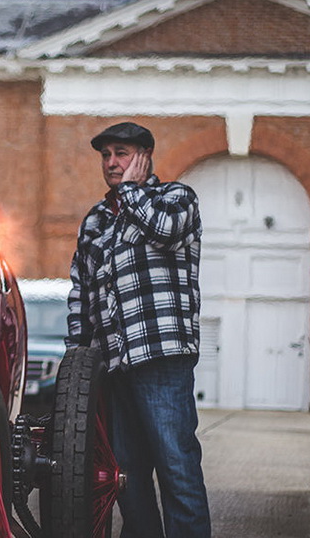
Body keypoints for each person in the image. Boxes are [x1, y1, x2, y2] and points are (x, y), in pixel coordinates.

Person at [66, 122, 211, 537]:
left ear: (144, 157)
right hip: (114, 366)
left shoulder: (176, 198)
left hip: (162, 357)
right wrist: (77, 362)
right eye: (106, 155)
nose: (112, 163)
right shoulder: (96, 219)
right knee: (125, 476)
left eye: (122, 153)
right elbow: (81, 291)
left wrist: (132, 190)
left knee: (176, 465)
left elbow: (165, 231)